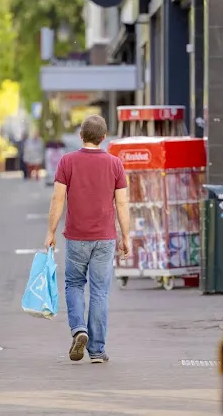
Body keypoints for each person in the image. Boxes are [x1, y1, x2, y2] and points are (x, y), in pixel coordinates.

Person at [44, 115, 130, 364]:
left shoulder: (67, 162)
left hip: (76, 237)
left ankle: (78, 328)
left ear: (81, 135)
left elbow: (57, 199)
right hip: (105, 238)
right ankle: (97, 350)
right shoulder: (115, 164)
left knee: (73, 284)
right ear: (104, 137)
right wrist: (126, 236)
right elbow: (122, 203)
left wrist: (50, 232)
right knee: (100, 292)